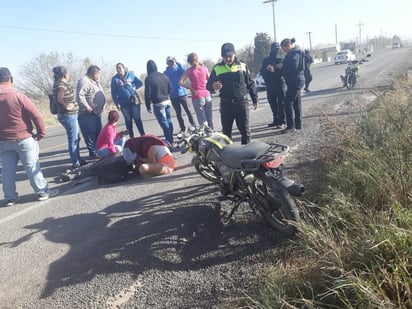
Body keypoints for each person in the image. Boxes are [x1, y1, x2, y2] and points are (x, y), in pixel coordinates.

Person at [0, 67, 59, 206]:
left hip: (3, 141)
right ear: (11, 79)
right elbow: (36, 115)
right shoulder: (18, 96)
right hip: (23, 137)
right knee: (32, 167)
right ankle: (42, 192)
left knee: (7, 171)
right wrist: (41, 132)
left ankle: (10, 197)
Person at [206, 43, 258, 144]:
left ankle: (247, 155)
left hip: (242, 103)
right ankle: (229, 156)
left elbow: (250, 83)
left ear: (235, 53)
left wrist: (255, 99)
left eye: (230, 56)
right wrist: (213, 86)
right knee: (226, 133)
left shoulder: (243, 66)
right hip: (226, 105)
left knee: (245, 131)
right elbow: (208, 86)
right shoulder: (217, 68)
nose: (228, 59)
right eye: (225, 57)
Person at [52, 66, 84, 169]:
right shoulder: (61, 85)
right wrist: (67, 106)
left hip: (69, 115)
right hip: (68, 116)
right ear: (65, 74)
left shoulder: (59, 84)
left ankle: (78, 159)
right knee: (73, 139)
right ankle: (76, 162)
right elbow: (60, 98)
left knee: (76, 138)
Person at [76, 65, 106, 158]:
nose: (99, 76)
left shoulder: (95, 82)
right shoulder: (84, 81)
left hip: (96, 113)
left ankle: (98, 151)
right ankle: (92, 152)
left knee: (98, 132)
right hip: (87, 114)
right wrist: (87, 107)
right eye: (98, 74)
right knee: (90, 133)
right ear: (94, 73)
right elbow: (80, 96)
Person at [277, 38, 305, 133]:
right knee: (296, 102)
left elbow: (293, 67)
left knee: (288, 102)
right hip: (295, 81)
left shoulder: (294, 54)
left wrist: (282, 67)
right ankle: (298, 124)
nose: (284, 51)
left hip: (295, 80)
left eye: (284, 49)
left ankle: (291, 126)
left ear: (288, 45)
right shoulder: (295, 53)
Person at [179, 52, 214, 129]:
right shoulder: (204, 68)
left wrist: (191, 88)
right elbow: (209, 79)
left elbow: (180, 82)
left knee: (202, 121)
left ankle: (206, 137)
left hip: (197, 95)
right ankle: (212, 135)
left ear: (189, 61)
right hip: (207, 94)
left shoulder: (189, 71)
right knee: (210, 119)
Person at [110, 63, 145, 138]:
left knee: (137, 118)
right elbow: (113, 93)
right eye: (117, 68)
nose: (118, 69)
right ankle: (131, 137)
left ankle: (143, 135)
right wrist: (117, 103)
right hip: (123, 103)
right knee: (128, 120)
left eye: (120, 68)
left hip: (134, 101)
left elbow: (140, 83)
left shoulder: (130, 75)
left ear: (123, 68)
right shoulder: (115, 79)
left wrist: (134, 86)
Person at [144, 60, 174, 145]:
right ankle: (171, 139)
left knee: (164, 123)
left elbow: (147, 93)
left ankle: (169, 140)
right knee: (169, 120)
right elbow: (170, 88)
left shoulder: (149, 78)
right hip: (167, 100)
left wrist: (148, 105)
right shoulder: (163, 76)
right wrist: (166, 94)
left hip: (158, 103)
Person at [164, 56, 196, 133]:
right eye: (169, 62)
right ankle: (182, 128)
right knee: (178, 113)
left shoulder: (178, 68)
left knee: (188, 110)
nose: (170, 63)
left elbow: (185, 70)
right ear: (167, 63)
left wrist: (177, 62)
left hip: (182, 93)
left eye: (172, 61)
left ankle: (194, 125)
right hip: (173, 95)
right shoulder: (165, 72)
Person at [260, 42, 286, 128]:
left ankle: (282, 120)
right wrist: (266, 69)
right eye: (274, 49)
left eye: (277, 49)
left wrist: (278, 67)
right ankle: (276, 119)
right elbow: (261, 72)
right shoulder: (266, 60)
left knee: (281, 103)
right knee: (272, 102)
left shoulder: (282, 59)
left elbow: (286, 71)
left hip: (280, 83)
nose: (276, 51)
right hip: (270, 84)